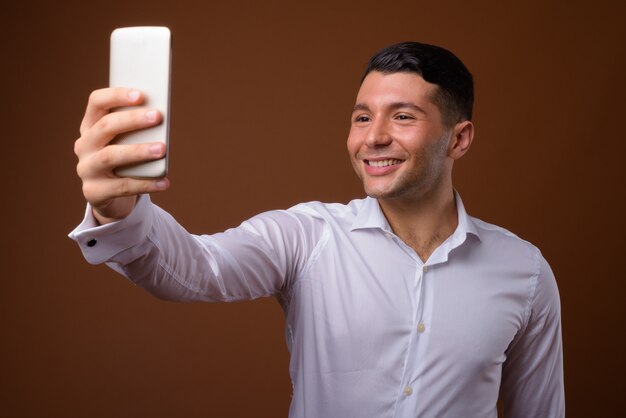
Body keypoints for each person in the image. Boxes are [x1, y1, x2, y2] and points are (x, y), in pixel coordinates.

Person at [70, 42, 564, 417]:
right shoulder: (307, 236)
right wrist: (119, 209)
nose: (373, 137)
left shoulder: (525, 273)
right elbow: (197, 269)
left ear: (459, 139)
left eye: (403, 116)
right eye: (363, 116)